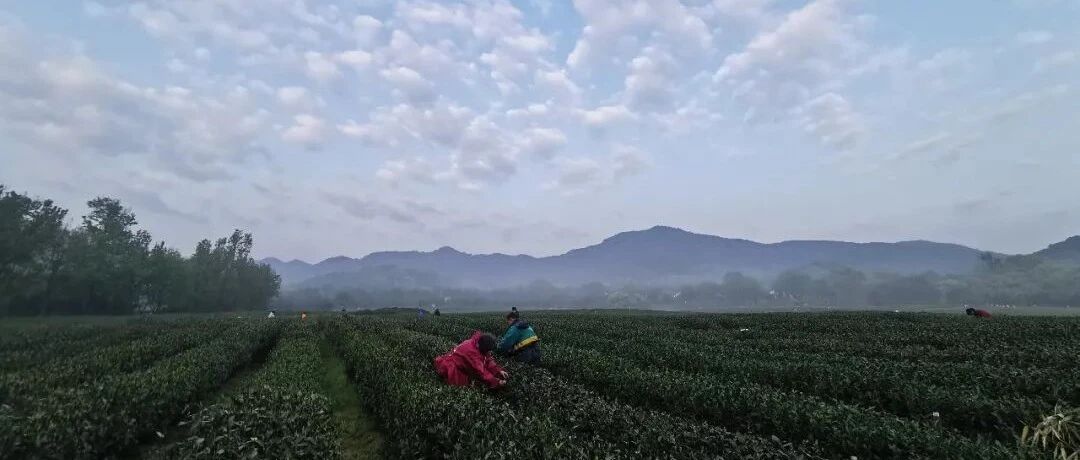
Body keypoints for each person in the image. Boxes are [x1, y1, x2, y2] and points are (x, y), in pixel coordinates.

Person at [434, 332, 507, 389]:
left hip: (457, 363)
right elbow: (481, 372)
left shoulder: (476, 342)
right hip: (453, 368)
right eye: (488, 350)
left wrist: (499, 371)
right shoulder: (472, 354)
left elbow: (487, 358)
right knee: (463, 387)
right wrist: (496, 382)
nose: (489, 353)